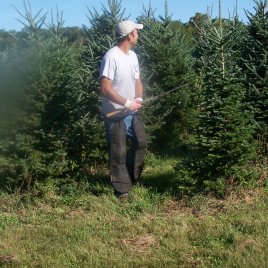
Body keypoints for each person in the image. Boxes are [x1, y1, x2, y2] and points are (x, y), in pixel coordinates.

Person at [99, 20, 147, 201]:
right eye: (137, 31)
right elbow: (104, 88)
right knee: (118, 151)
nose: (138, 34)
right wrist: (126, 103)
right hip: (116, 114)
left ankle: (132, 178)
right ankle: (121, 191)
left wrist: (139, 99)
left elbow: (137, 80)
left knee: (141, 142)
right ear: (129, 35)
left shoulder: (133, 56)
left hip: (132, 111)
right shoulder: (111, 57)